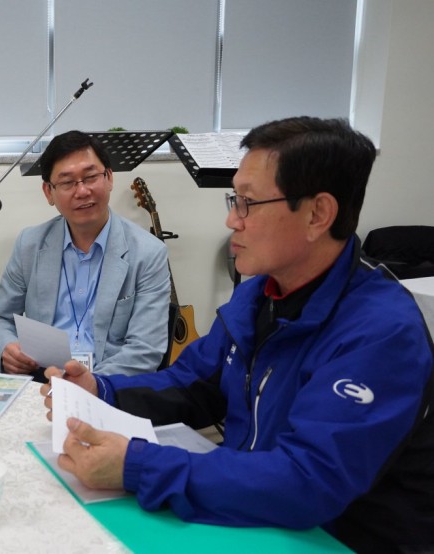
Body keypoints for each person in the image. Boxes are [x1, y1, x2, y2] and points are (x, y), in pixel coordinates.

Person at [41, 117, 434, 553]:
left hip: (338, 537)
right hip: (252, 510)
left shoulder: (382, 334)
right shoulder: (260, 295)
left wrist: (137, 465)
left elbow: (308, 480)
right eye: (234, 200)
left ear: (317, 214)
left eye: (247, 203)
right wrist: (102, 391)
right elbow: (193, 382)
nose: (232, 219)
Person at [0, 130, 172, 381]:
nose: (82, 191)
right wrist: (7, 347)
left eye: (91, 177)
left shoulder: (148, 253)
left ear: (109, 178)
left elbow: (145, 350)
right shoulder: (30, 245)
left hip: (109, 384)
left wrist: (90, 384)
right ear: (48, 192)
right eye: (67, 182)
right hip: (43, 378)